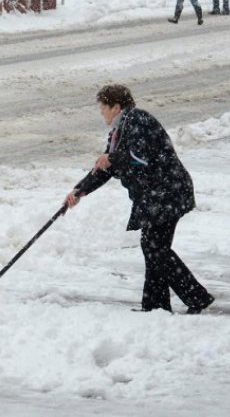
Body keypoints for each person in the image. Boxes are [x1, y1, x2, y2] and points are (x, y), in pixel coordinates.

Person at [64, 84, 214, 314]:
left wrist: (111, 158)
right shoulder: (121, 129)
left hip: (167, 192)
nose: (101, 113)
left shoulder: (137, 120)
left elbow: (139, 157)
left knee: (155, 248)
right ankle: (158, 306)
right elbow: (106, 168)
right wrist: (79, 191)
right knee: (155, 247)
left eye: (103, 108)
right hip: (158, 194)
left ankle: (194, 298)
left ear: (116, 107)